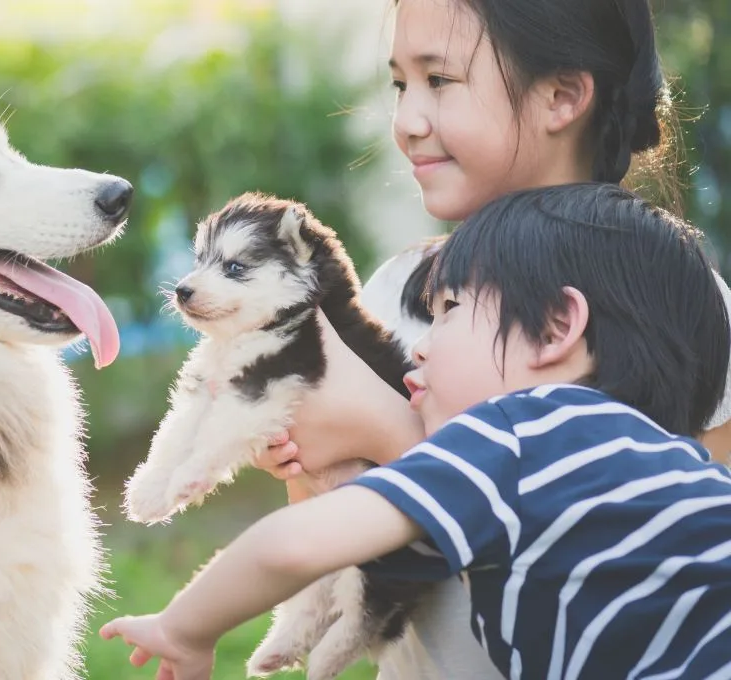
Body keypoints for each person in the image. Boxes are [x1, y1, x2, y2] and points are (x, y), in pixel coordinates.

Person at [252, 0, 731, 677]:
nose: (406, 121)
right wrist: (309, 461)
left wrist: (389, 431)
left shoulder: (691, 313)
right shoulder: (396, 294)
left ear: (561, 95)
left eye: (439, 81)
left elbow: (679, 570)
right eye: (399, 84)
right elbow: (337, 557)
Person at [102, 183, 731, 680]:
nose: (420, 346)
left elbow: (293, 546)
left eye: (448, 311)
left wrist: (185, 628)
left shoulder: (518, 431)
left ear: (555, 328)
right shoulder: (674, 458)